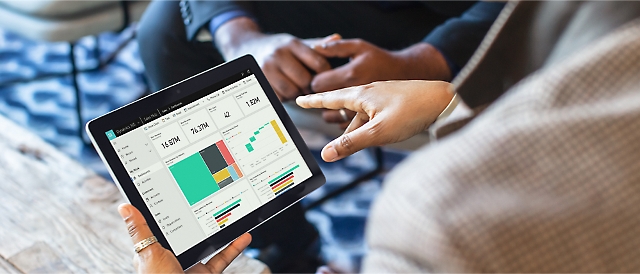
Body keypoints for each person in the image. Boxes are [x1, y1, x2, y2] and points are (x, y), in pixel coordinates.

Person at [122, 1, 640, 272]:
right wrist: (239, 32)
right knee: (168, 27)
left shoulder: (434, 223)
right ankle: (282, 250)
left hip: (462, 15)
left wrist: (423, 64)